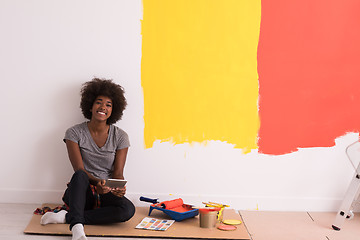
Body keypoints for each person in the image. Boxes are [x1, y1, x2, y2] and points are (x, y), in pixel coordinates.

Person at [40, 78, 135, 240]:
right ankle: (77, 229)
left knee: (128, 209)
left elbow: (118, 173)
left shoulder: (120, 136)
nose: (103, 107)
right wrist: (97, 183)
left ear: (114, 110)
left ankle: (67, 217)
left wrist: (118, 188)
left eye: (108, 104)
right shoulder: (74, 133)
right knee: (80, 175)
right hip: (81, 192)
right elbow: (79, 169)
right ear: (90, 105)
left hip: (105, 191)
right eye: (99, 102)